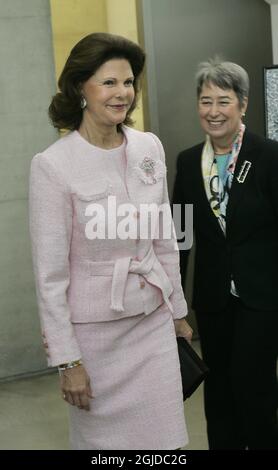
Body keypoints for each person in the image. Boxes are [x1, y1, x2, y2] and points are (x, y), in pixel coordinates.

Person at [29, 32, 192, 450]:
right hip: (95, 341)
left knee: (167, 446)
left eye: (128, 82)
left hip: (153, 325)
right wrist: (69, 361)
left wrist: (176, 313)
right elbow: (50, 277)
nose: (123, 93)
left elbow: (163, 240)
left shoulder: (148, 147)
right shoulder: (53, 165)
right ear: (80, 87)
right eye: (109, 83)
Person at [172, 58, 278, 450]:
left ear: (243, 104)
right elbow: (180, 236)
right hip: (213, 298)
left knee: (255, 386)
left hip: (261, 297)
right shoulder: (186, 162)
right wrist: (176, 303)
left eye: (223, 101)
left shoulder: (268, 156)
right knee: (217, 389)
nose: (213, 111)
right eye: (205, 101)